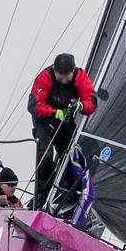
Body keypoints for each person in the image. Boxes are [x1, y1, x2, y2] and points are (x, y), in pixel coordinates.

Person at [28, 52, 96, 208]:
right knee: (45, 155)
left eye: (67, 76)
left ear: (73, 71)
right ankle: (40, 197)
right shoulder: (45, 76)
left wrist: (80, 106)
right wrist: (54, 112)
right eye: (60, 76)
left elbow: (91, 101)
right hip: (44, 119)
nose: (64, 80)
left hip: (65, 119)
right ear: (54, 70)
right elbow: (33, 106)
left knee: (72, 156)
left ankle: (67, 198)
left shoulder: (81, 77)